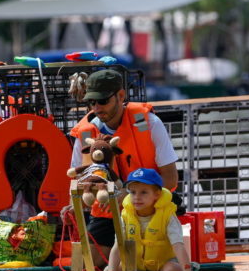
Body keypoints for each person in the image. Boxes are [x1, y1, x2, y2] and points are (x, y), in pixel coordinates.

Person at [68, 69, 179, 259]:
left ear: (120, 95)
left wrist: (127, 196)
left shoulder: (149, 123)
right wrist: (72, 204)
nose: (97, 107)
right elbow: (78, 179)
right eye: (92, 102)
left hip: (148, 206)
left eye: (103, 101)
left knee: (149, 256)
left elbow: (170, 178)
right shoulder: (85, 133)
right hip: (106, 211)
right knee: (89, 259)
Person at [100, 168, 205, 271]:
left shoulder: (167, 215)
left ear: (157, 194)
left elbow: (178, 246)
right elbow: (118, 245)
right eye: (133, 192)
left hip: (163, 266)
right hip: (136, 267)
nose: (137, 197)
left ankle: (189, 268)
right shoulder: (125, 215)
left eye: (144, 192)